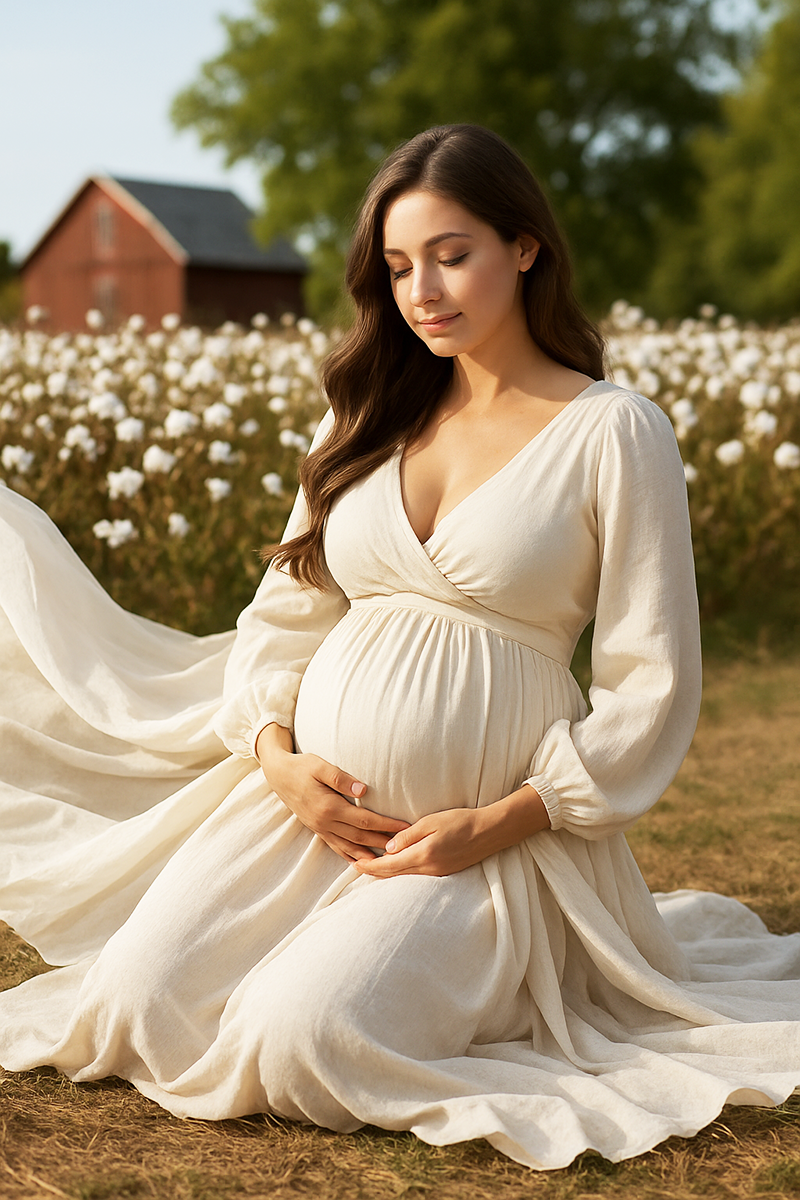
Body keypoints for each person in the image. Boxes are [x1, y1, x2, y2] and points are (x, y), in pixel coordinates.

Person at [0, 124, 798, 1172]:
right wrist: (280, 762)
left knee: (306, 1040)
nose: (422, 288)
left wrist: (504, 820)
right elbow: (282, 613)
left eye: (450, 252)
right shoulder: (369, 413)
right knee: (133, 1005)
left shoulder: (611, 428)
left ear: (524, 247)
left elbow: (649, 676)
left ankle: (479, 975)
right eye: (397, 264)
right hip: (302, 816)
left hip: (486, 845)